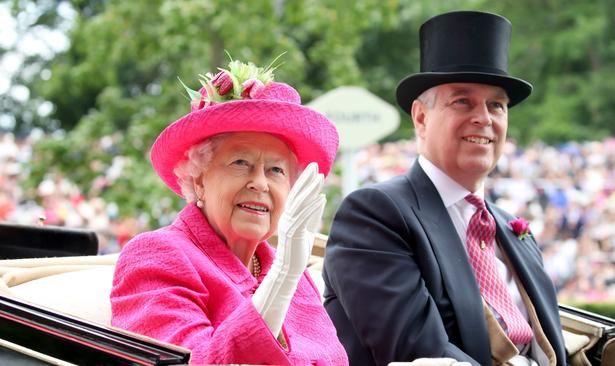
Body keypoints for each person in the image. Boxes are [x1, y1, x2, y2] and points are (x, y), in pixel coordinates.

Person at [323, 11, 568, 366]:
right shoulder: (376, 215)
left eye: (496, 105)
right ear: (421, 117)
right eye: (463, 101)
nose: (483, 117)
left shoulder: (516, 232)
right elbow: (416, 351)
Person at [110, 57, 348, 365]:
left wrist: (287, 272)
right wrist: (281, 278)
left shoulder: (292, 272)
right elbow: (192, 362)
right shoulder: (156, 256)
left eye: (276, 170)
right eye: (240, 163)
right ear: (199, 178)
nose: (260, 183)